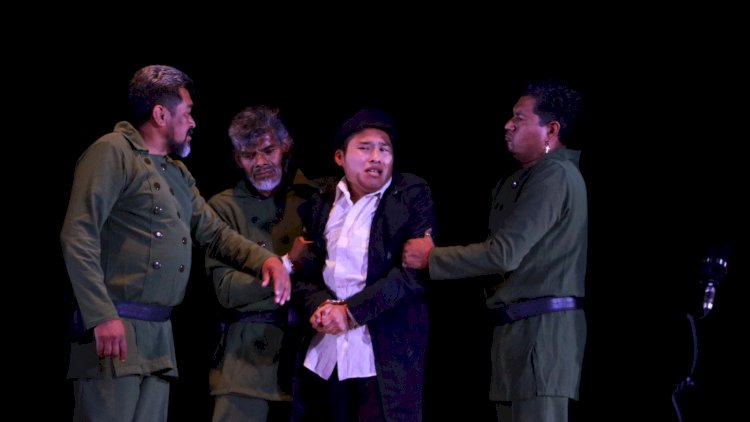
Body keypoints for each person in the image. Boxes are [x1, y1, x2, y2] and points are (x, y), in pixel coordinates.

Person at [60, 65, 291, 422]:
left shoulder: (176, 173)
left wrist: (266, 260)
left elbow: (214, 232)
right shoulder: (113, 151)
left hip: (158, 334)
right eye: (187, 112)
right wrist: (101, 315)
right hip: (116, 326)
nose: (193, 122)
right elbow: (78, 234)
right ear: (160, 114)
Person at [403, 80, 587, 422]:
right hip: (517, 334)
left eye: (519, 117)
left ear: (551, 130)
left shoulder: (555, 175)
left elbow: (504, 254)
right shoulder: (526, 178)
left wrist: (432, 258)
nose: (508, 125)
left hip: (541, 337)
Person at [292, 108, 435, 422]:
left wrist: (351, 312)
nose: (376, 157)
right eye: (365, 148)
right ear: (340, 157)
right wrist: (321, 305)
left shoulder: (410, 194)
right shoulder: (321, 203)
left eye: (384, 149)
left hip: (384, 353)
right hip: (328, 353)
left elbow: (413, 275)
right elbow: (306, 274)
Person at [205, 105, 322, 422]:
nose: (259, 163)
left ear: (286, 146)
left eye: (268, 150)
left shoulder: (317, 200)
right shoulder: (223, 208)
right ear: (237, 159)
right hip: (244, 369)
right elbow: (227, 291)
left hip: (308, 364)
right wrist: (287, 265)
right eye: (248, 155)